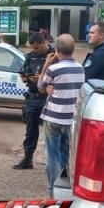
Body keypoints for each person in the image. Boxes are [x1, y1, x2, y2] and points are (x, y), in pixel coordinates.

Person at [38, 34, 85, 197]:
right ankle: (65, 188)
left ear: (57, 50)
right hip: (70, 118)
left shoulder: (53, 68)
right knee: (66, 153)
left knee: (52, 155)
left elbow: (40, 86)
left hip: (53, 117)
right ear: (73, 50)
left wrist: (46, 64)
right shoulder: (80, 68)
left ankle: (52, 189)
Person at [13, 32, 54, 170]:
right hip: (32, 98)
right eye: (33, 48)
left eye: (37, 48)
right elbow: (24, 70)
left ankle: (53, 163)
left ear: (44, 43)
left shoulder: (54, 55)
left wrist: (42, 79)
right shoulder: (30, 56)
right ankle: (27, 159)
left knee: (51, 132)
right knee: (30, 131)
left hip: (47, 99)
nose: (35, 51)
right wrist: (25, 77)